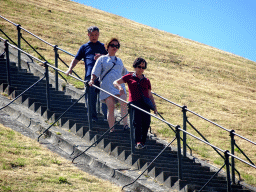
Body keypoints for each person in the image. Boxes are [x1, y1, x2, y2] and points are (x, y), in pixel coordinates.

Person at [65, 26, 108, 122]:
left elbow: (110, 58)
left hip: (103, 76)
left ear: (99, 35)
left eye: (96, 35)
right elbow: (76, 59)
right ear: (88, 35)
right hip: (90, 76)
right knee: (90, 98)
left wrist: (102, 56)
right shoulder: (84, 47)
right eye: (92, 35)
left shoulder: (103, 47)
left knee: (105, 97)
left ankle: (107, 118)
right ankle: (93, 118)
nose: (94, 37)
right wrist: (70, 69)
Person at [113, 57, 157, 149]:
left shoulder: (146, 80)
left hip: (145, 104)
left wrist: (155, 107)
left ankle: (143, 142)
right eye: (139, 67)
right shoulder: (129, 77)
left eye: (143, 67)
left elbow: (150, 95)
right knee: (136, 123)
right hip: (134, 103)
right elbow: (115, 82)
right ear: (135, 66)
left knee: (146, 123)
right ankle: (138, 142)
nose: (141, 69)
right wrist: (120, 88)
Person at [89, 38, 129, 132]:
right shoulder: (102, 59)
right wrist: (92, 80)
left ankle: (126, 125)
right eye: (112, 45)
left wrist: (136, 75)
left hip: (119, 86)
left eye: (117, 46)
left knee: (123, 102)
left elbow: (125, 73)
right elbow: (95, 71)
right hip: (107, 86)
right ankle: (112, 129)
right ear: (107, 47)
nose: (114, 47)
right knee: (110, 107)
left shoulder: (119, 60)